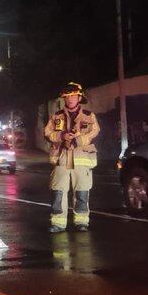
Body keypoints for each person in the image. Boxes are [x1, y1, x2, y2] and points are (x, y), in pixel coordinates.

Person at [43, 82, 100, 233]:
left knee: (81, 191)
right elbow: (48, 133)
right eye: (67, 97)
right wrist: (61, 135)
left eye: (73, 96)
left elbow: (94, 132)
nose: (70, 99)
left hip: (81, 157)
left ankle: (81, 222)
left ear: (79, 97)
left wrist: (78, 140)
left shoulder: (89, 116)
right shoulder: (56, 116)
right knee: (58, 191)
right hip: (62, 157)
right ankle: (58, 223)